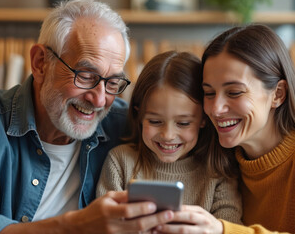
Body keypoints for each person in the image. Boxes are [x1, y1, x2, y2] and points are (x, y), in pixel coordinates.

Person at [0, 0, 174, 234]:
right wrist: (75, 226)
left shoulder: (127, 125)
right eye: (86, 76)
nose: (99, 100)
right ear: (40, 63)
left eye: (112, 82)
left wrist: (213, 226)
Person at [155, 25, 295, 233]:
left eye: (234, 92)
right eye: (209, 93)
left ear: (278, 94)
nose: (216, 108)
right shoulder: (219, 162)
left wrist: (224, 230)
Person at [95, 51, 242, 224]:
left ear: (203, 119)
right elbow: (104, 224)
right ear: (139, 114)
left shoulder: (217, 171)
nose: (168, 136)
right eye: (155, 121)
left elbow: (230, 226)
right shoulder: (120, 161)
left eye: (184, 123)